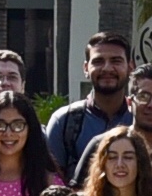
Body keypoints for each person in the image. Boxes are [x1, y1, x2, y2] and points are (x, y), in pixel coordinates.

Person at [46, 29, 135, 170]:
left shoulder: (141, 118)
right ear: (86, 68)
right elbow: (52, 180)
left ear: (130, 67)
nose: (107, 68)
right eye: (98, 61)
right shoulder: (63, 122)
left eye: (116, 61)